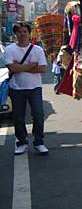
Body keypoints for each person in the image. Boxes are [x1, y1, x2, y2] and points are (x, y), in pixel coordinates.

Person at [5, 22, 50, 155]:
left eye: (25, 31)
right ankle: (22, 142)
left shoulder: (37, 50)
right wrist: (31, 66)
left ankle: (39, 142)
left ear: (29, 33)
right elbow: (12, 68)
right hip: (16, 88)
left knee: (38, 114)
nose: (22, 34)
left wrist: (21, 67)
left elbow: (43, 68)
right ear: (15, 33)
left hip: (35, 87)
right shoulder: (9, 50)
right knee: (18, 117)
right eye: (19, 31)